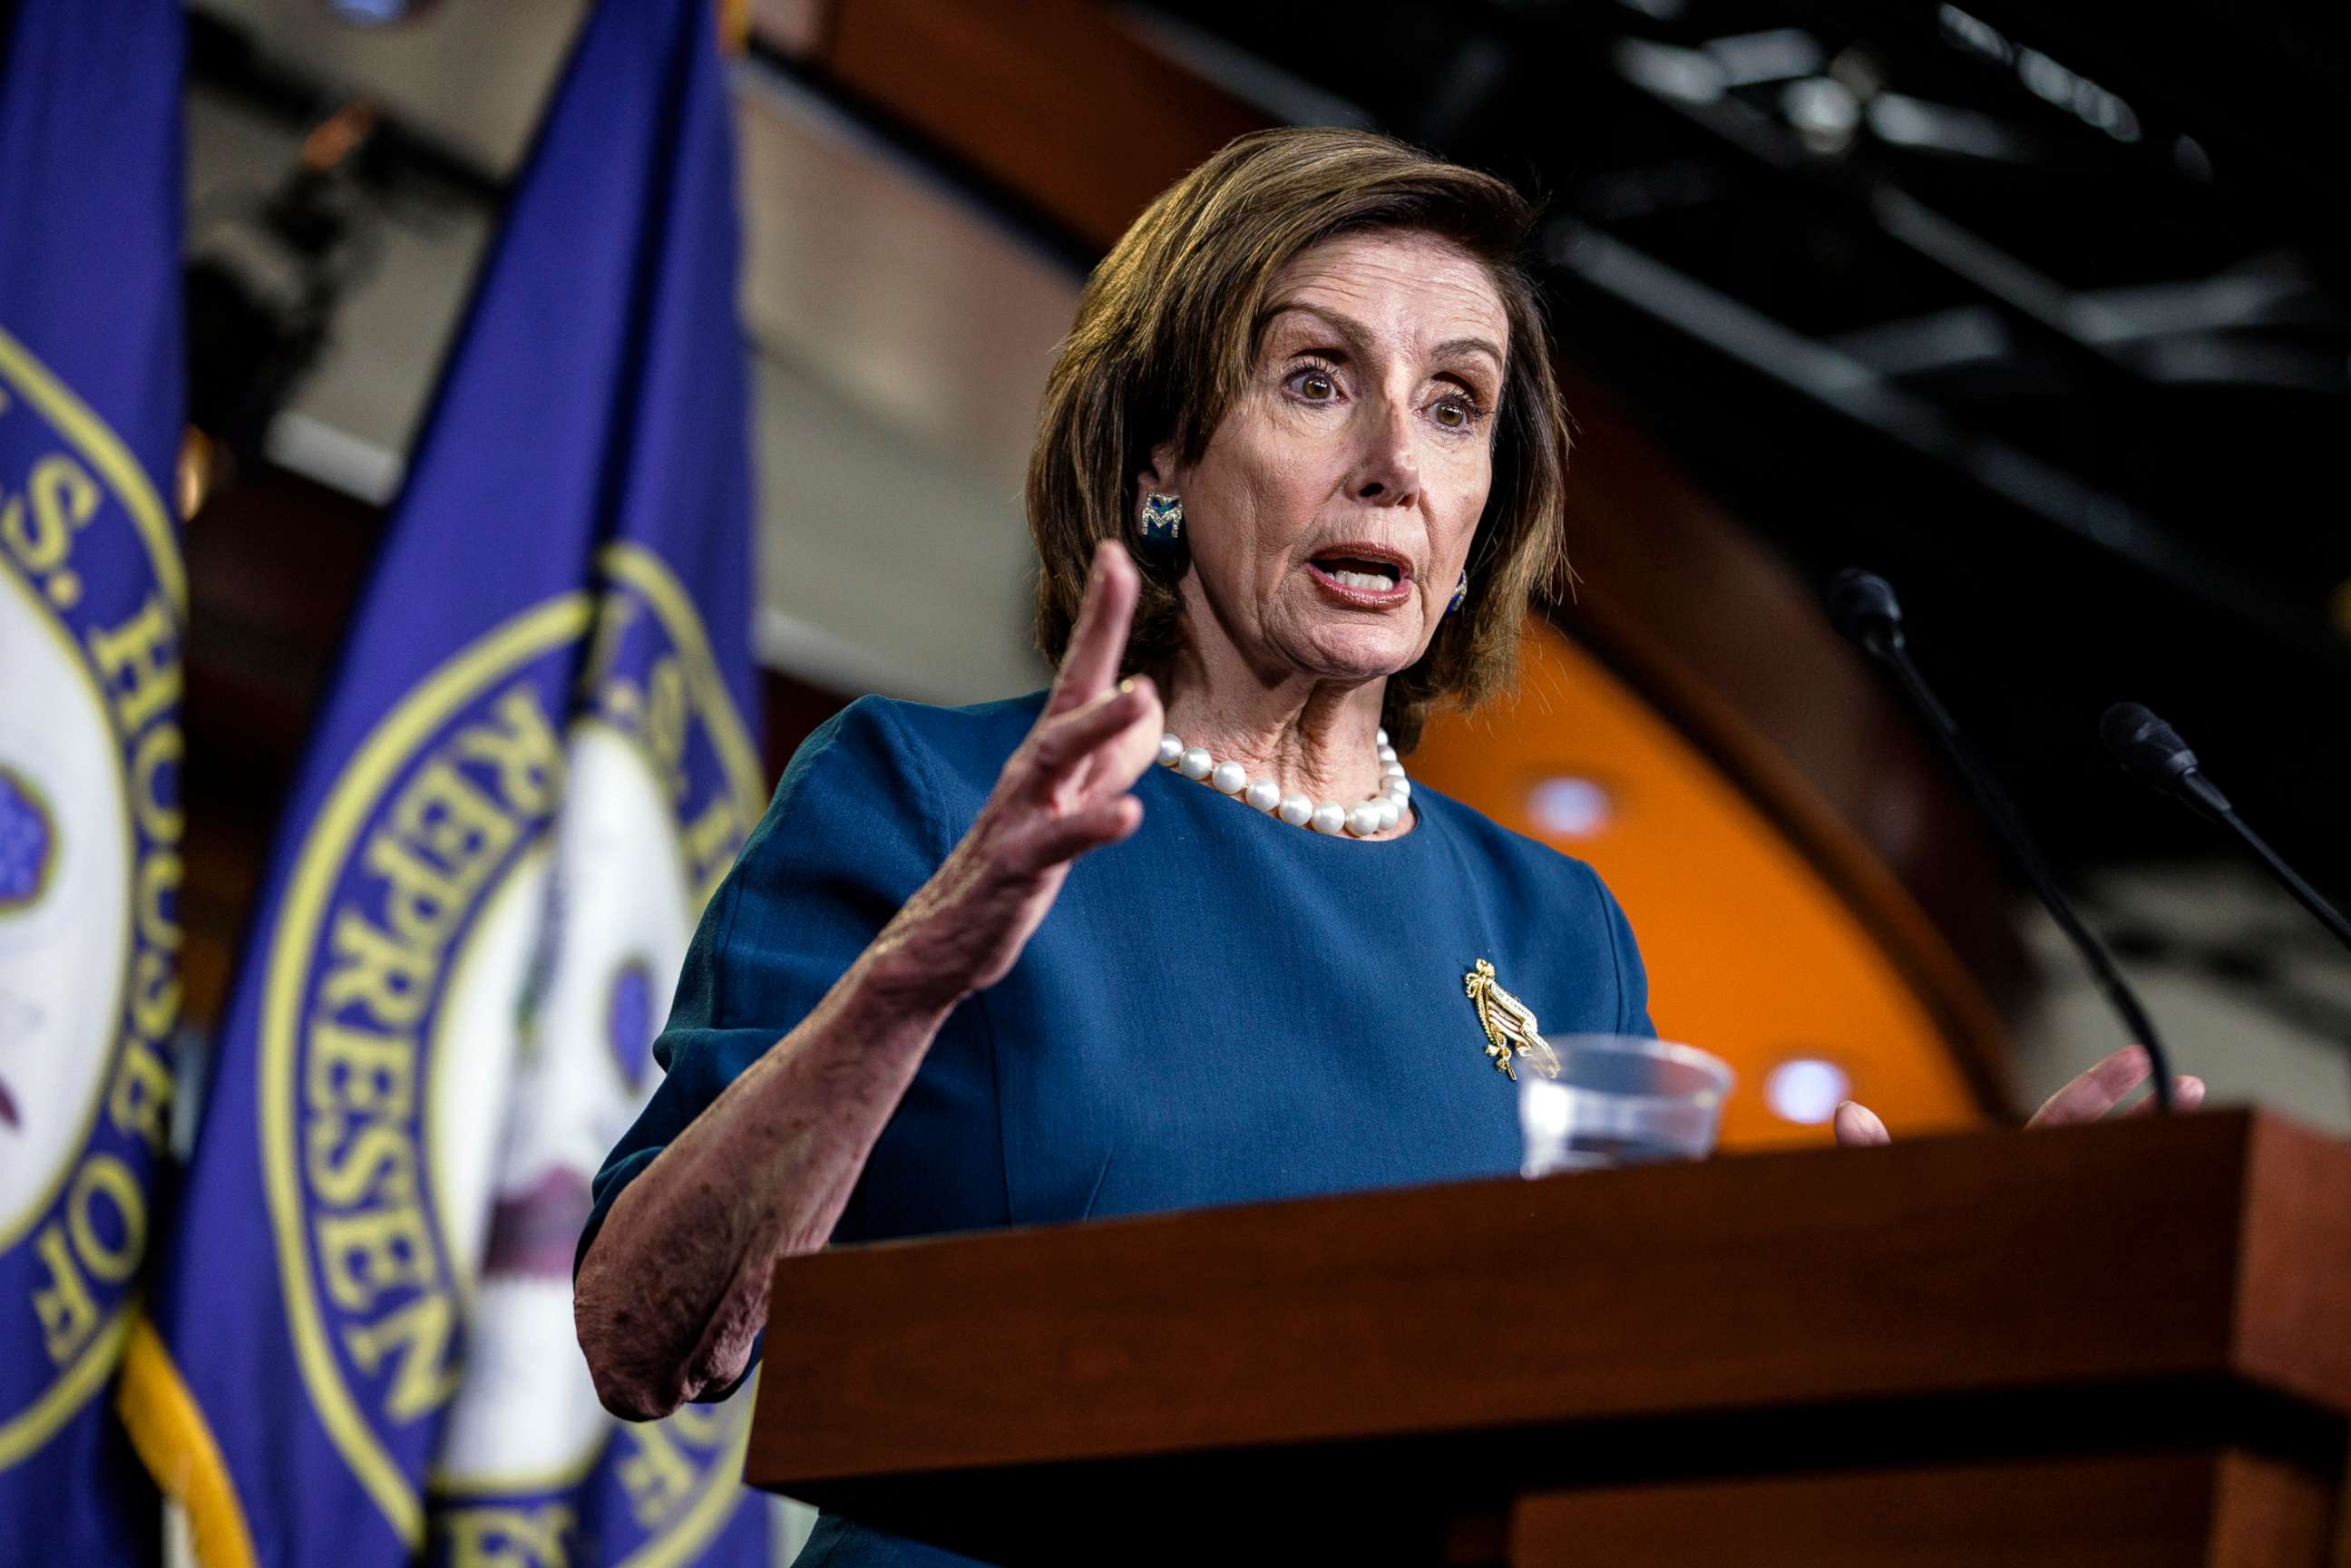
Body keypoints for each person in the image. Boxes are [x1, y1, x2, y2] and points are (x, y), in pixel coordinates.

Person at [572, 126, 2196, 1565]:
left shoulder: (1558, 927)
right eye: (1314, 378)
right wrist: (916, 973)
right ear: (1161, 453)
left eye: (1455, 405)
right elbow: (648, 1337)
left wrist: (1937, 1277)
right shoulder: (932, 795)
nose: (1394, 465)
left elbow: (1604, 1410)